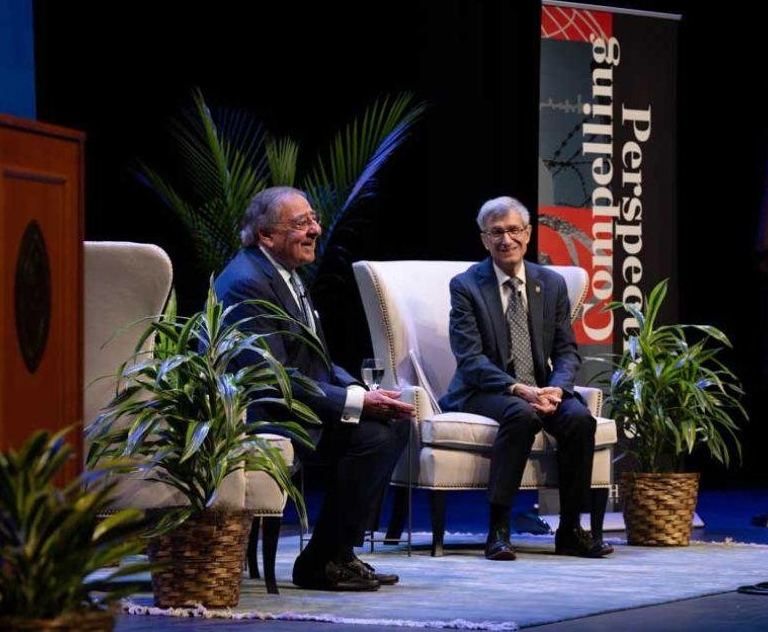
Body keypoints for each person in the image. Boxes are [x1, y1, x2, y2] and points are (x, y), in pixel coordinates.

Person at [215, 186, 414, 591]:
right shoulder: (247, 282)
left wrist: (359, 390)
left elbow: (318, 361)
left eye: (313, 219)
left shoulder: (284, 274)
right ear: (266, 236)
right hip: (266, 415)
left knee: (392, 425)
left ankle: (340, 551)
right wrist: (357, 402)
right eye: (301, 223)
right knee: (374, 437)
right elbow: (272, 375)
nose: (315, 230)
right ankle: (318, 562)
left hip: (295, 405)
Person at [439, 196, 614, 561]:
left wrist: (558, 388)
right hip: (485, 389)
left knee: (580, 419)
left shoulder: (550, 284)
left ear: (528, 233)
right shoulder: (466, 286)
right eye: (497, 232)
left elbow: (567, 351)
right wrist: (519, 388)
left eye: (514, 230)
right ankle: (498, 530)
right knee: (521, 414)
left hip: (541, 387)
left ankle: (570, 530)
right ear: (484, 239)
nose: (507, 240)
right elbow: (470, 360)